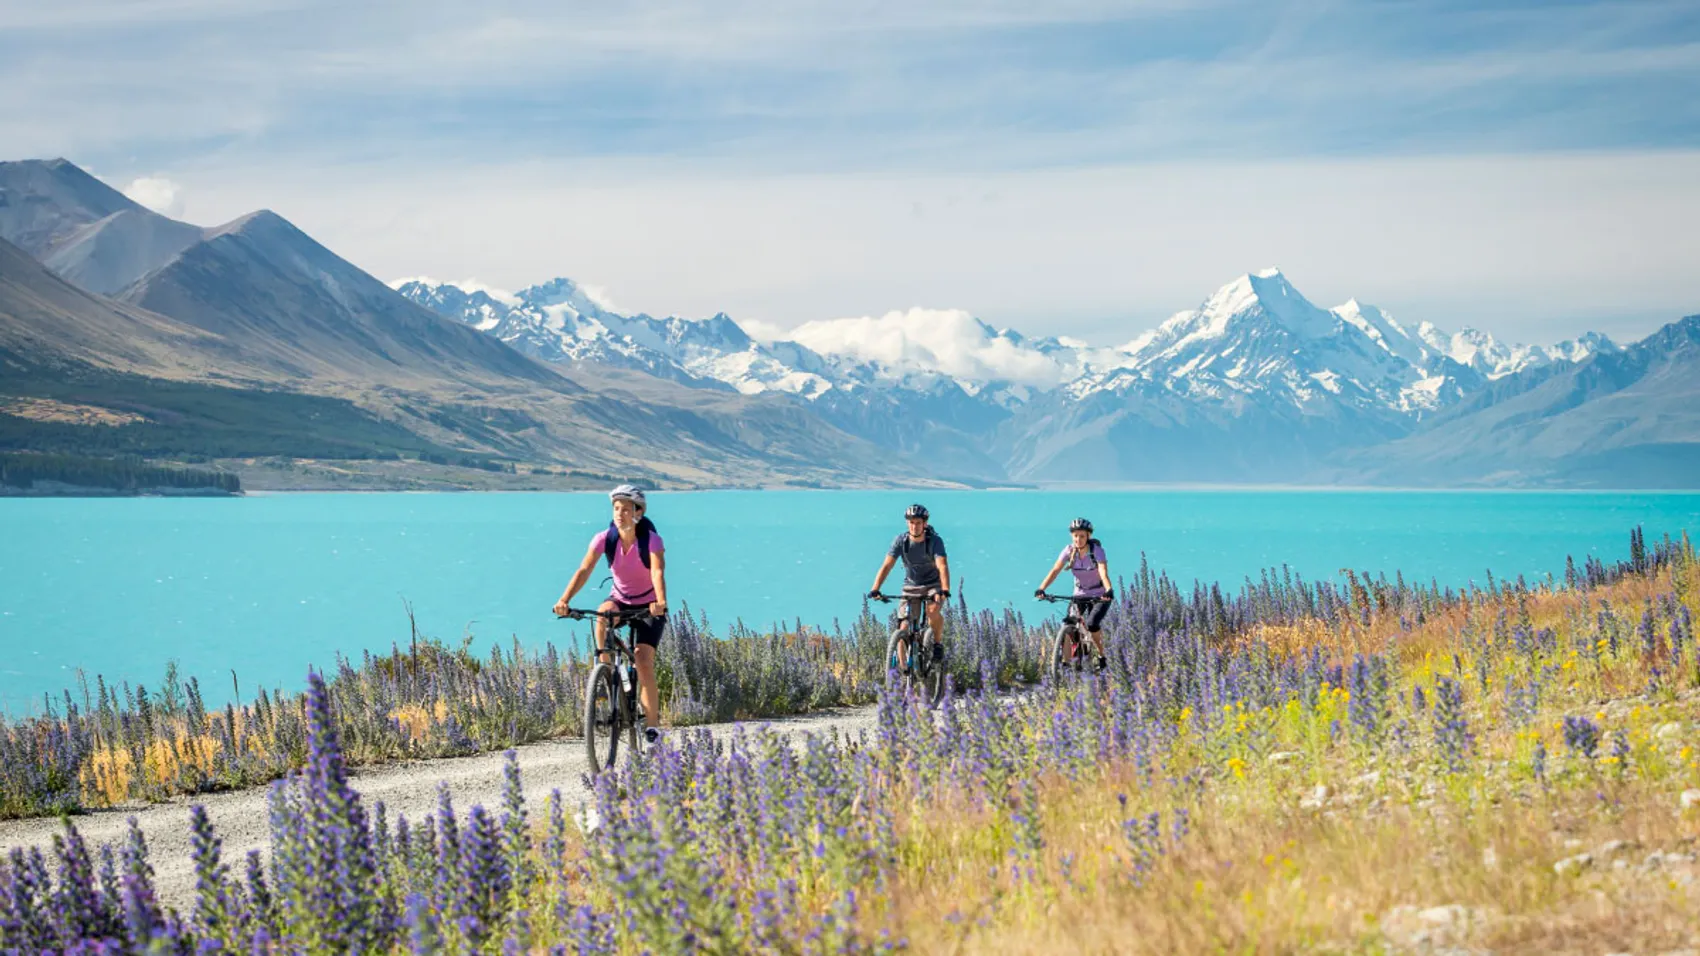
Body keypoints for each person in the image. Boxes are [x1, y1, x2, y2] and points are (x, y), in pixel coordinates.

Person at [554, 484, 669, 751]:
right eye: (616, 509)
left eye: (626, 509)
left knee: (643, 660)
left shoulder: (651, 540)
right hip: (620, 599)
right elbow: (584, 569)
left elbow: (657, 572)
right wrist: (564, 600)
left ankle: (652, 728)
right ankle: (604, 674)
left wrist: (660, 602)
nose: (620, 514)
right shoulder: (604, 539)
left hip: (649, 604)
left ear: (638, 512)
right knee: (602, 615)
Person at [868, 503, 951, 666]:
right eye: (911, 522)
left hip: (933, 585)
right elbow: (887, 565)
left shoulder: (935, 541)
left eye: (918, 522)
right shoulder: (901, 541)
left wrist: (945, 589)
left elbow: (942, 565)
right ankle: (905, 670)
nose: (914, 526)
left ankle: (937, 644)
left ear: (925, 524)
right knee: (903, 626)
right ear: (907, 523)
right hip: (911, 586)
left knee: (932, 611)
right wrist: (875, 588)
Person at [1036, 517, 1112, 671]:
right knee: (1068, 624)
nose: (1078, 539)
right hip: (1080, 594)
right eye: (1075, 535)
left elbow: (1103, 573)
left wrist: (1108, 590)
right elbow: (1055, 570)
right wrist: (1041, 588)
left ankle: (1103, 656)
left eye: (1082, 536)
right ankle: (1066, 664)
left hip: (1100, 595)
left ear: (1088, 536)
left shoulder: (1096, 551)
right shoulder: (1068, 551)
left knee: (1092, 624)